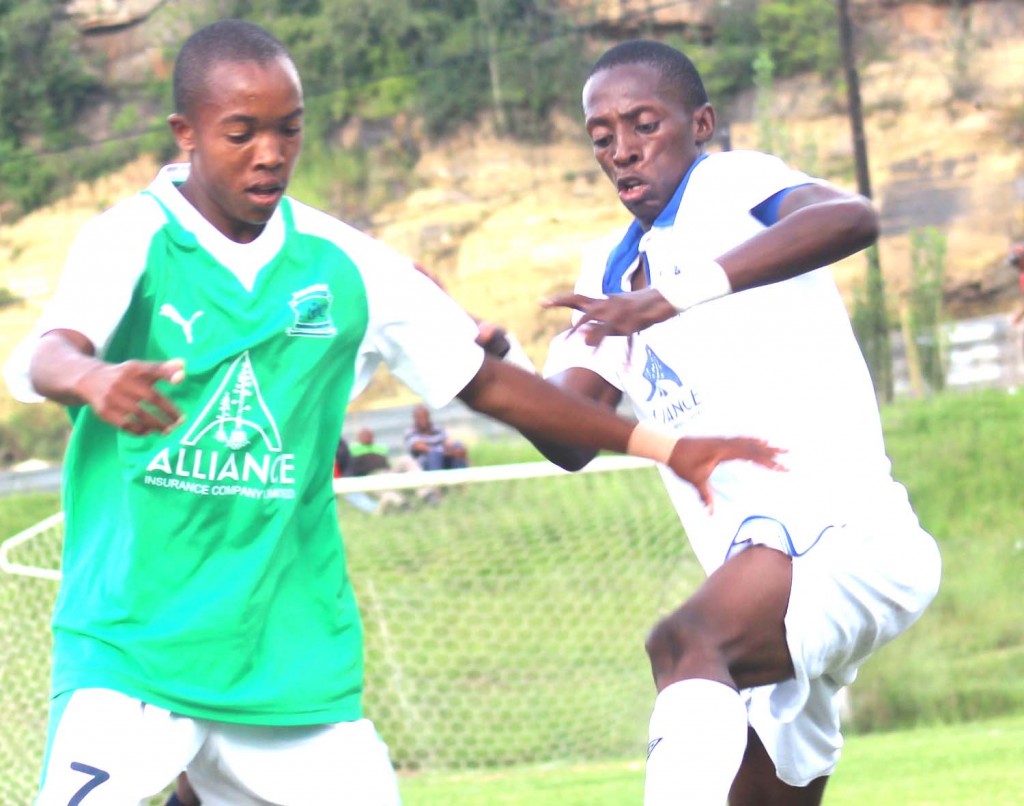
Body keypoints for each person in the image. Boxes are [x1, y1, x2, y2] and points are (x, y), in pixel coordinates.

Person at [2, 22, 783, 805]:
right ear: (187, 133)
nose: (269, 152)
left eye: (289, 130)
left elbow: (494, 387)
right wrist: (91, 378)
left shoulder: (348, 264)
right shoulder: (132, 238)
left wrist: (665, 446)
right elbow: (43, 355)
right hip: (130, 654)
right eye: (241, 133)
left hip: (290, 670)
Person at [532, 40, 942, 805]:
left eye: (642, 124)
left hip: (845, 539)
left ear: (701, 123)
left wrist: (673, 298)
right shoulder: (609, 271)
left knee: (683, 644)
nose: (622, 151)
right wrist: (481, 370)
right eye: (601, 136)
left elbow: (849, 218)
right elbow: (567, 440)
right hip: (760, 575)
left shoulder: (730, 184)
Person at [403, 404, 468, 472]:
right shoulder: (410, 432)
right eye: (420, 417)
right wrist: (448, 453)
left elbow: (448, 442)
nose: (423, 419)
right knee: (434, 454)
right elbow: (422, 448)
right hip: (424, 463)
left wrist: (456, 450)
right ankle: (437, 481)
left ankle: (464, 479)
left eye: (425, 416)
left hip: (444, 456)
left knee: (457, 447)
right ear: (415, 418)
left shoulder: (438, 429)